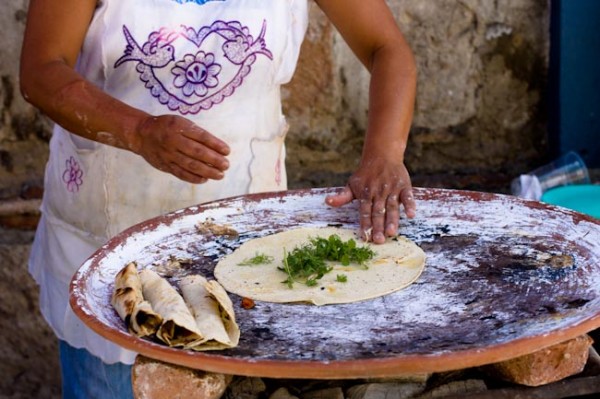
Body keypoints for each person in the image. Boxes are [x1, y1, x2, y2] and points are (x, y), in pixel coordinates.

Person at [20, 0, 417, 397]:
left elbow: (386, 47)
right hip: (110, 245)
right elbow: (41, 70)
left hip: (249, 251)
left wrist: (383, 154)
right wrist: (138, 131)